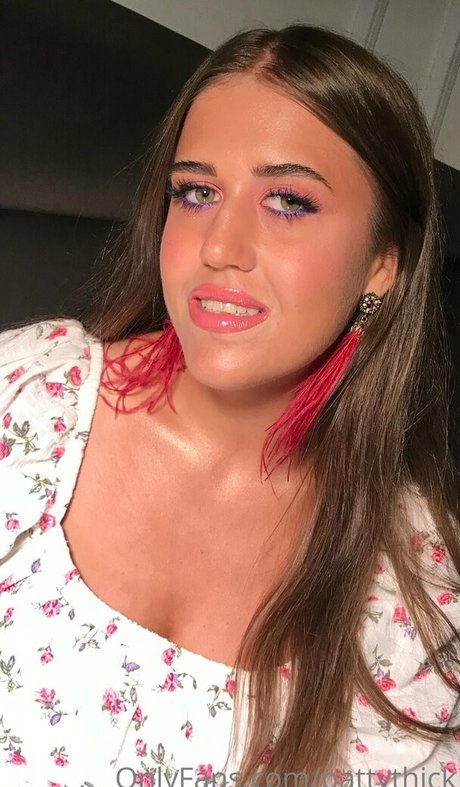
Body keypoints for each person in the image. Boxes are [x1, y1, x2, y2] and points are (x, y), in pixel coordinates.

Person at [0, 22, 459, 787]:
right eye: (197, 191)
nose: (219, 245)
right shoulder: (25, 403)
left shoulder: (417, 589)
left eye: (288, 201)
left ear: (382, 265)